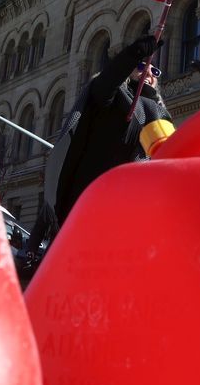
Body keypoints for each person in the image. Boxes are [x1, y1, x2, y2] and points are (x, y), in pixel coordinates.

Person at [26, 34, 172, 261]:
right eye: (142, 66)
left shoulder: (158, 112)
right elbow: (107, 84)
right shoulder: (113, 97)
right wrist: (133, 53)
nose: (149, 73)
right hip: (92, 202)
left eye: (155, 71)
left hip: (131, 210)